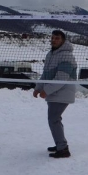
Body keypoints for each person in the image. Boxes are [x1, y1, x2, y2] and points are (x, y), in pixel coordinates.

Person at [34, 30, 77, 159]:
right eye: (52, 38)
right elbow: (45, 74)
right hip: (55, 94)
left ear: (63, 40)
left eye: (57, 38)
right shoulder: (51, 54)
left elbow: (61, 78)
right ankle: (60, 144)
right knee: (55, 119)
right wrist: (38, 88)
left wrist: (46, 90)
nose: (53, 40)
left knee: (54, 119)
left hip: (62, 94)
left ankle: (63, 149)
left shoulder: (66, 56)